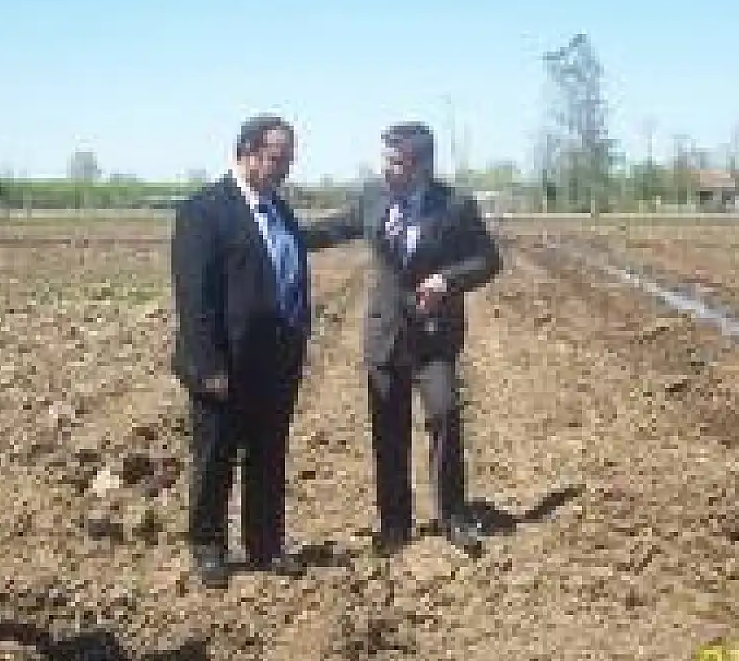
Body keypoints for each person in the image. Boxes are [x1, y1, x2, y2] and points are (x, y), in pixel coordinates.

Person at [302, 122, 502, 558]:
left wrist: (447, 280)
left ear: (422, 165)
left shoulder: (456, 205)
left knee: (445, 415)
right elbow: (334, 229)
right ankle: (395, 522)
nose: (387, 168)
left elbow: (488, 260)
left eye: (396, 161)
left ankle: (453, 515)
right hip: (385, 334)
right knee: (388, 431)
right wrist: (281, 233)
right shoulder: (373, 197)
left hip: (434, 337)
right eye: (386, 159)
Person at [170, 114, 310, 587]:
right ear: (247, 153)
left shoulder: (281, 210)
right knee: (215, 456)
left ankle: (266, 545)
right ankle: (208, 546)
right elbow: (194, 297)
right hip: (224, 364)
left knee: (268, 457)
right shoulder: (205, 211)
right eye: (276, 158)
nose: (284, 169)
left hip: (275, 362)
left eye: (289, 160)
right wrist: (207, 365)